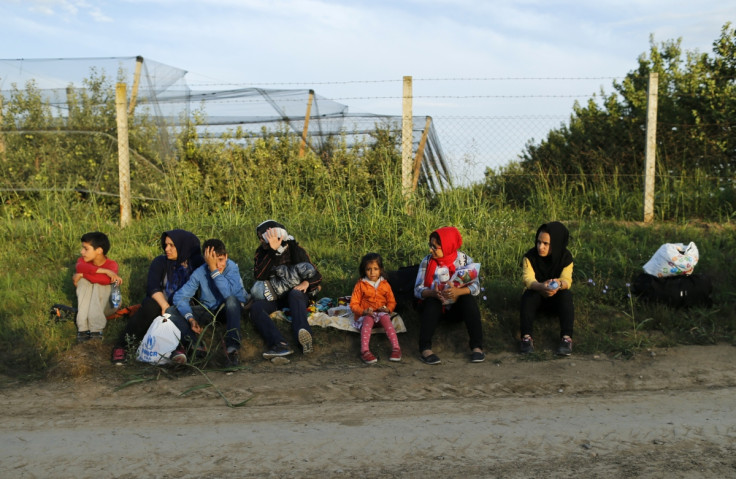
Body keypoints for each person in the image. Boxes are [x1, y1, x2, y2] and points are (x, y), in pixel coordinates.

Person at [110, 229, 204, 365]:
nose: (167, 249)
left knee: (181, 311)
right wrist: (165, 306)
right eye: (166, 245)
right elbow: (153, 287)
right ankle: (121, 345)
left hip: (183, 307)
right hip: (159, 304)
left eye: (172, 245)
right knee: (150, 306)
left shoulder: (195, 265)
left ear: (183, 246)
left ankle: (178, 349)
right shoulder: (160, 262)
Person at [168, 238, 248, 366]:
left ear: (226, 256)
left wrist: (214, 271)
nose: (218, 265)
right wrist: (190, 318)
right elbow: (180, 297)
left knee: (232, 300)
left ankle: (232, 350)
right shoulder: (200, 272)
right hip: (209, 311)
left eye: (221, 260)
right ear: (206, 260)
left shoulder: (231, 267)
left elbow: (230, 295)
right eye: (212, 262)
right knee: (171, 310)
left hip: (229, 309)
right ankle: (196, 347)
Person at [250, 220, 322, 359]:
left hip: (297, 296)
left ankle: (304, 337)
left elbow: (316, 275)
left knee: (295, 294)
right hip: (276, 297)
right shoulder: (262, 253)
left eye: (262, 237)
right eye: (259, 238)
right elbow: (259, 275)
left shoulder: (295, 250)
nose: (261, 241)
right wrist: (272, 251)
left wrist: (307, 283)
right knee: (256, 307)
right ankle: (280, 344)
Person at [414, 226, 485, 365]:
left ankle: (477, 347)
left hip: (456, 308)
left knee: (468, 299)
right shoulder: (427, 262)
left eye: (435, 247)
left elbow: (475, 287)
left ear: (447, 246)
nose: (431, 250)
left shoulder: (464, 260)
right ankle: (425, 349)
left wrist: (458, 292)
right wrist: (432, 293)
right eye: (430, 246)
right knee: (432, 301)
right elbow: (417, 289)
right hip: (435, 308)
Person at [519, 221, 575, 356]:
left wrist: (558, 284)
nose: (540, 247)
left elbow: (567, 280)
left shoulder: (565, 258)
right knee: (528, 295)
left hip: (557, 298)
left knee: (566, 295)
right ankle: (526, 338)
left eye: (545, 244)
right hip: (537, 298)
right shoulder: (529, 257)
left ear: (555, 244)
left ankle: (566, 339)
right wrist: (540, 286)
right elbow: (528, 279)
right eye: (538, 242)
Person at [349, 253, 401, 364]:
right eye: (368, 269)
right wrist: (363, 311)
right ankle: (365, 351)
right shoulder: (360, 285)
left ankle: (396, 348)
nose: (372, 272)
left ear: (381, 269)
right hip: (367, 315)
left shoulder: (385, 284)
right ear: (364, 270)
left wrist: (388, 309)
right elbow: (353, 304)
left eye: (375, 269)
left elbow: (392, 301)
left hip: (382, 314)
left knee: (386, 319)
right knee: (368, 319)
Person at [73, 232, 122, 342]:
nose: (82, 252)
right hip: (89, 306)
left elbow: (106, 280)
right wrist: (104, 271)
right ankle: (83, 328)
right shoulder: (82, 261)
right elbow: (79, 266)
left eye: (86, 249)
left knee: (100, 284)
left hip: (109, 304)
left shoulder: (112, 265)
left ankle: (96, 329)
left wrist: (82, 274)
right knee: (83, 282)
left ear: (99, 250)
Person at [251, 262, 319, 301]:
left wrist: (272, 274)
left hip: (268, 285)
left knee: (254, 292)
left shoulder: (288, 270)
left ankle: (249, 300)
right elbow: (311, 293)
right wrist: (317, 288)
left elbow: (275, 270)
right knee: (257, 296)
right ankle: (251, 300)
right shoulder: (300, 284)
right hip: (274, 296)